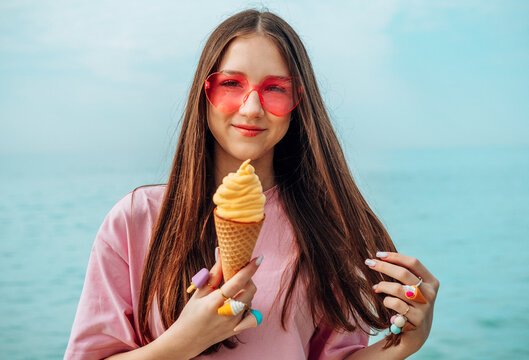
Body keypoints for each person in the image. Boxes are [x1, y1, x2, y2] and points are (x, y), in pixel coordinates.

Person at [65, 9, 439, 360]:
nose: (252, 107)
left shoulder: (327, 229)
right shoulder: (137, 218)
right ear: (204, 92)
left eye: (275, 88)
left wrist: (398, 347)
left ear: (298, 100)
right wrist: (182, 342)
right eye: (231, 83)